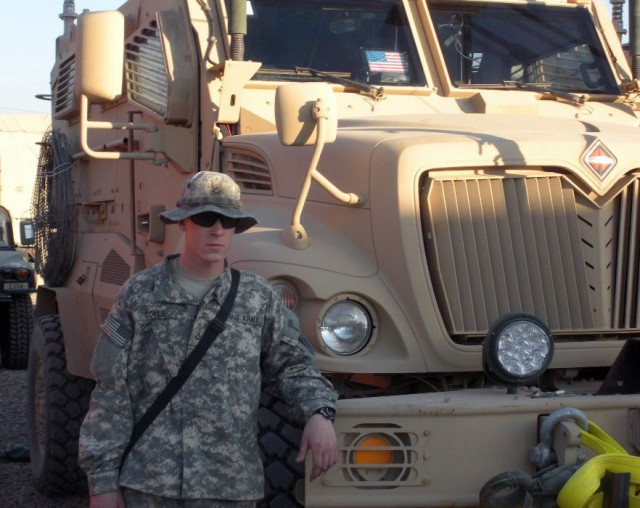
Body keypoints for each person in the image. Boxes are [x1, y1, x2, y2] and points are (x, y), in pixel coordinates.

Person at [79, 171, 338, 508]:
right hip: (149, 486)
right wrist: (101, 481)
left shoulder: (256, 298)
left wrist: (319, 414)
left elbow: (294, 367)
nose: (217, 229)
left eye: (228, 220)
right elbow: (111, 390)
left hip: (229, 487)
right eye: (205, 218)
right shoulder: (142, 293)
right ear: (184, 223)